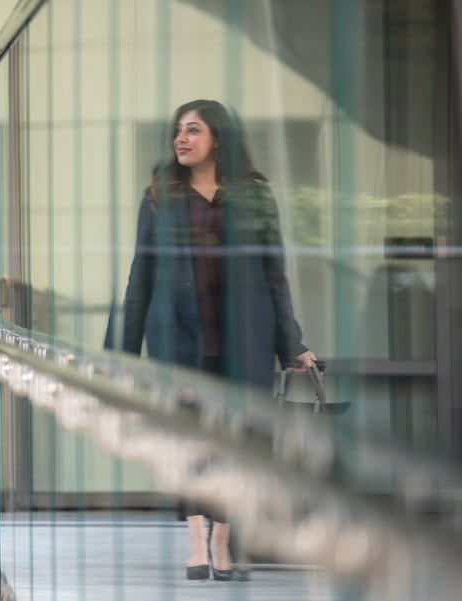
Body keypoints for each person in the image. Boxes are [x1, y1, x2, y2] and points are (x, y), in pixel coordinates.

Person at [109, 99, 316, 582]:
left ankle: (223, 537)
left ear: (218, 139)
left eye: (193, 130)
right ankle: (195, 539)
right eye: (178, 130)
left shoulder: (255, 197)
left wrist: (292, 342)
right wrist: (125, 352)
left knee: (238, 442)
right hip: (178, 339)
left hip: (244, 336)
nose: (181, 139)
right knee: (187, 440)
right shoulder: (159, 194)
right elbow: (141, 273)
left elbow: (274, 274)